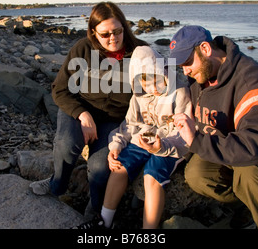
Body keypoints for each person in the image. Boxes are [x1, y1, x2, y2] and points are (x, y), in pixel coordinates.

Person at [171, 25, 258, 229]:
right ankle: (247, 206)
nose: (185, 70)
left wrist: (195, 140)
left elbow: (253, 146)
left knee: (250, 176)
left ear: (205, 48)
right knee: (197, 175)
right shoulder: (199, 75)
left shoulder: (251, 79)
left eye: (186, 62)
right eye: (180, 66)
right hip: (222, 143)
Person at [29, 2, 148, 218]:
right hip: (78, 109)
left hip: (114, 121)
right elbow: (60, 89)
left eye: (118, 31)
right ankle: (57, 185)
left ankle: (95, 208)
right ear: (93, 32)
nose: (113, 38)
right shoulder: (83, 49)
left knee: (100, 167)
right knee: (67, 143)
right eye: (105, 34)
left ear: (125, 27)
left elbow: (154, 91)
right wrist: (82, 115)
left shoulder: (140, 53)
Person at [76, 46, 193, 229]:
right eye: (147, 84)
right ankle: (105, 222)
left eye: (158, 82)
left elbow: (184, 134)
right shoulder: (138, 97)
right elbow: (129, 125)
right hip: (143, 140)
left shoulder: (179, 92)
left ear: (165, 73)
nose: (153, 89)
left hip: (169, 144)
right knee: (119, 166)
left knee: (151, 177)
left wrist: (162, 147)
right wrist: (116, 146)